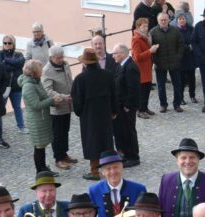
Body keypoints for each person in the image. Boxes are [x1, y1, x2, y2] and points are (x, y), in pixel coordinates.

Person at [72, 48, 116, 181]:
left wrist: (80, 113)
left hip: (89, 116)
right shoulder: (108, 75)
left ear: (85, 63)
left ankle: (95, 171)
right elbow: (114, 95)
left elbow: (77, 100)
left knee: (92, 141)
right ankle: (109, 168)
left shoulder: (80, 79)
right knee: (106, 139)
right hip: (105, 114)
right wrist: (114, 111)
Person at [87, 151, 145, 217]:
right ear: (102, 172)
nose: (113, 172)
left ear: (122, 168)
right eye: (108, 168)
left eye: (116, 167)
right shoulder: (94, 190)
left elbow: (145, 216)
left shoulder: (138, 189)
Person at [41, 45, 76, 171]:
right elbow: (48, 90)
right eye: (58, 58)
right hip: (56, 107)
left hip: (67, 105)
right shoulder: (46, 70)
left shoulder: (65, 65)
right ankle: (58, 158)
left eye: (62, 57)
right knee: (57, 134)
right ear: (51, 57)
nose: (61, 59)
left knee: (65, 131)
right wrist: (61, 97)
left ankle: (64, 154)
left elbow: (70, 81)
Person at [19, 59, 55, 174]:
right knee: (39, 147)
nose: (42, 71)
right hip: (36, 120)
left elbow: (43, 96)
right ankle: (40, 171)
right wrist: (52, 100)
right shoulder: (28, 86)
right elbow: (36, 105)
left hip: (41, 118)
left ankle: (43, 167)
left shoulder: (36, 81)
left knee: (41, 146)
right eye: (40, 69)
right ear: (34, 72)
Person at [109, 43, 141, 167]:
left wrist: (128, 106)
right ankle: (126, 154)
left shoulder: (130, 67)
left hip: (127, 108)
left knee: (129, 132)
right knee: (123, 131)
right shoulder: (121, 65)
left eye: (115, 53)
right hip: (121, 107)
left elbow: (133, 89)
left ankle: (133, 156)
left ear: (122, 53)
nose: (113, 56)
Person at [151, 13, 185, 113]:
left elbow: (181, 44)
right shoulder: (153, 32)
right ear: (158, 21)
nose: (163, 22)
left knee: (177, 85)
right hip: (160, 63)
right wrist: (156, 60)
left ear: (169, 20)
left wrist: (178, 57)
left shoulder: (175, 30)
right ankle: (163, 105)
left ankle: (177, 104)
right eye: (161, 20)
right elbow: (151, 49)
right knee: (161, 86)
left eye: (165, 20)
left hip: (174, 62)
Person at [0, 35, 26, 133]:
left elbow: (21, 63)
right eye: (5, 43)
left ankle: (21, 126)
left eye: (9, 43)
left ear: (13, 44)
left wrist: (7, 61)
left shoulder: (18, 54)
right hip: (3, 86)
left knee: (17, 107)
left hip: (16, 86)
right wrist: (13, 65)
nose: (7, 45)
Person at [130, 18, 157, 116]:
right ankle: (140, 110)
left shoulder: (146, 37)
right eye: (144, 26)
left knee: (147, 89)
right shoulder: (136, 39)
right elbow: (137, 57)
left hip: (147, 67)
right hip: (141, 69)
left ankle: (145, 107)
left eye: (147, 26)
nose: (146, 28)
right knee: (142, 91)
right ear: (138, 27)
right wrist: (150, 51)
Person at [176, 12, 198, 102]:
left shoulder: (191, 29)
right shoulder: (175, 31)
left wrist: (193, 45)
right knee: (181, 80)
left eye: (183, 19)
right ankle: (181, 98)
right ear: (177, 21)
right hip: (181, 58)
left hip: (191, 58)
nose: (182, 20)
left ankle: (192, 96)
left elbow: (195, 39)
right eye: (180, 19)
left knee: (192, 78)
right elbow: (176, 44)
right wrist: (188, 47)